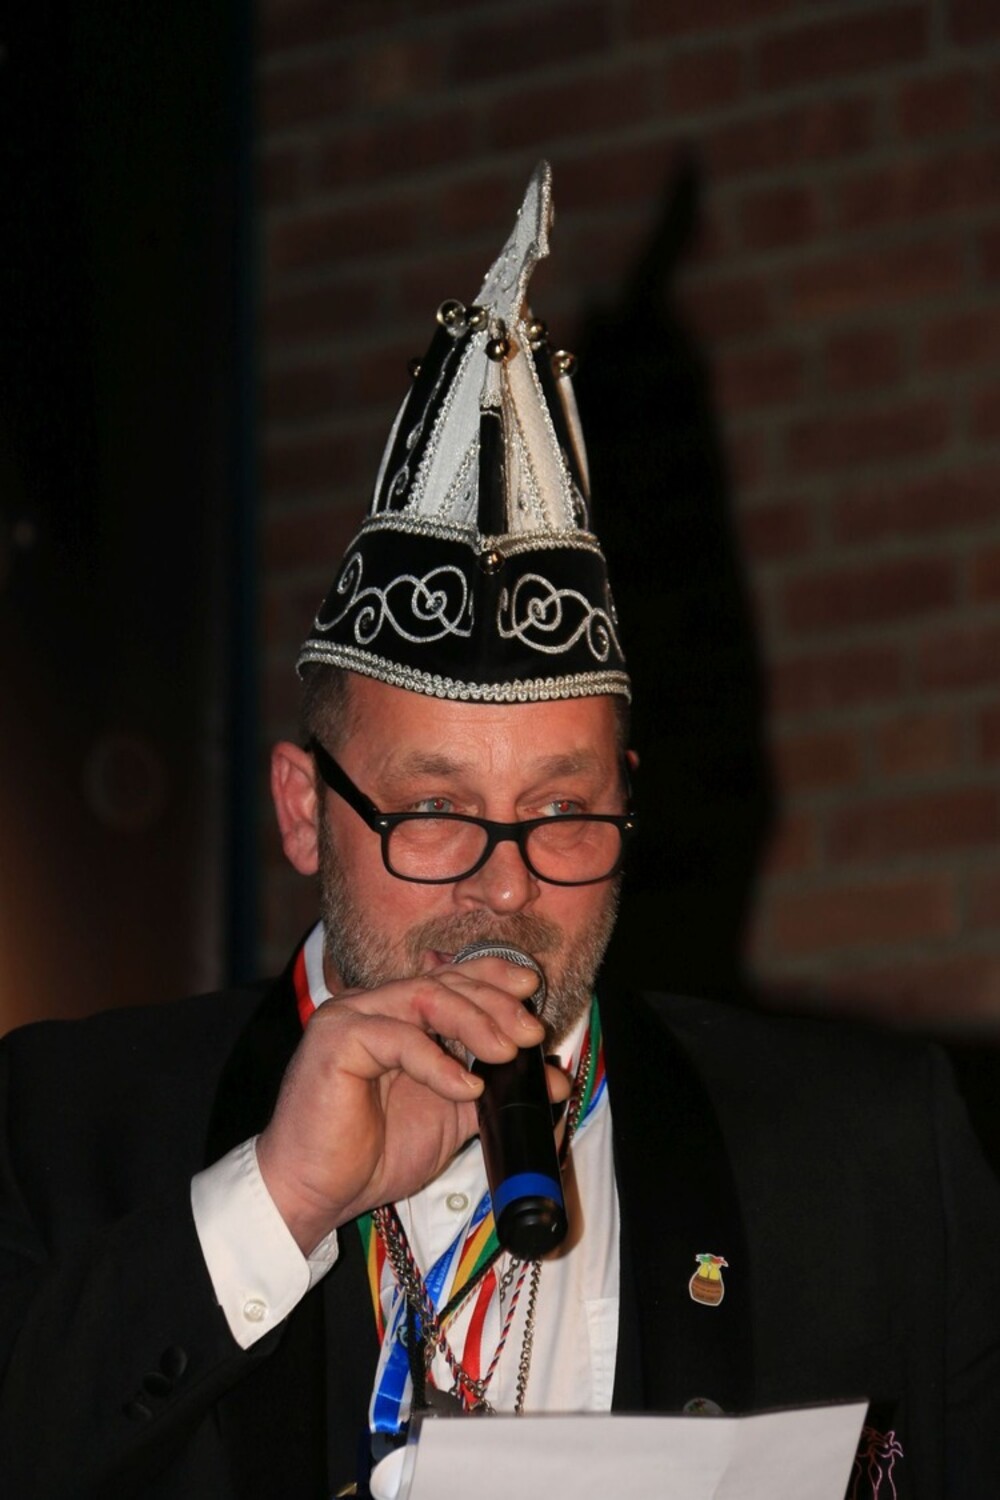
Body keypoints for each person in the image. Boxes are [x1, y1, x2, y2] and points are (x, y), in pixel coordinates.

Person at [1, 163, 998, 1500]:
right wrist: (281, 1201)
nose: (507, 890)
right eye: (433, 813)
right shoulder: (65, 1126)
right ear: (303, 810)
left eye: (561, 812)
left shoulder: (871, 1158)